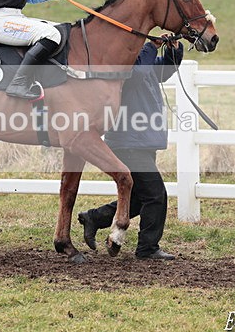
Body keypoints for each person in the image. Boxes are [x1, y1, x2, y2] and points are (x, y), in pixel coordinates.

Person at [77, 37, 184, 259]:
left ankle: (95, 218)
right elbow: (137, 76)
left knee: (139, 197)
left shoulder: (143, 63)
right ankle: (147, 248)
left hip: (140, 140)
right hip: (128, 142)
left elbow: (162, 72)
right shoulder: (123, 67)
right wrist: (151, 47)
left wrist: (174, 50)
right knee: (156, 195)